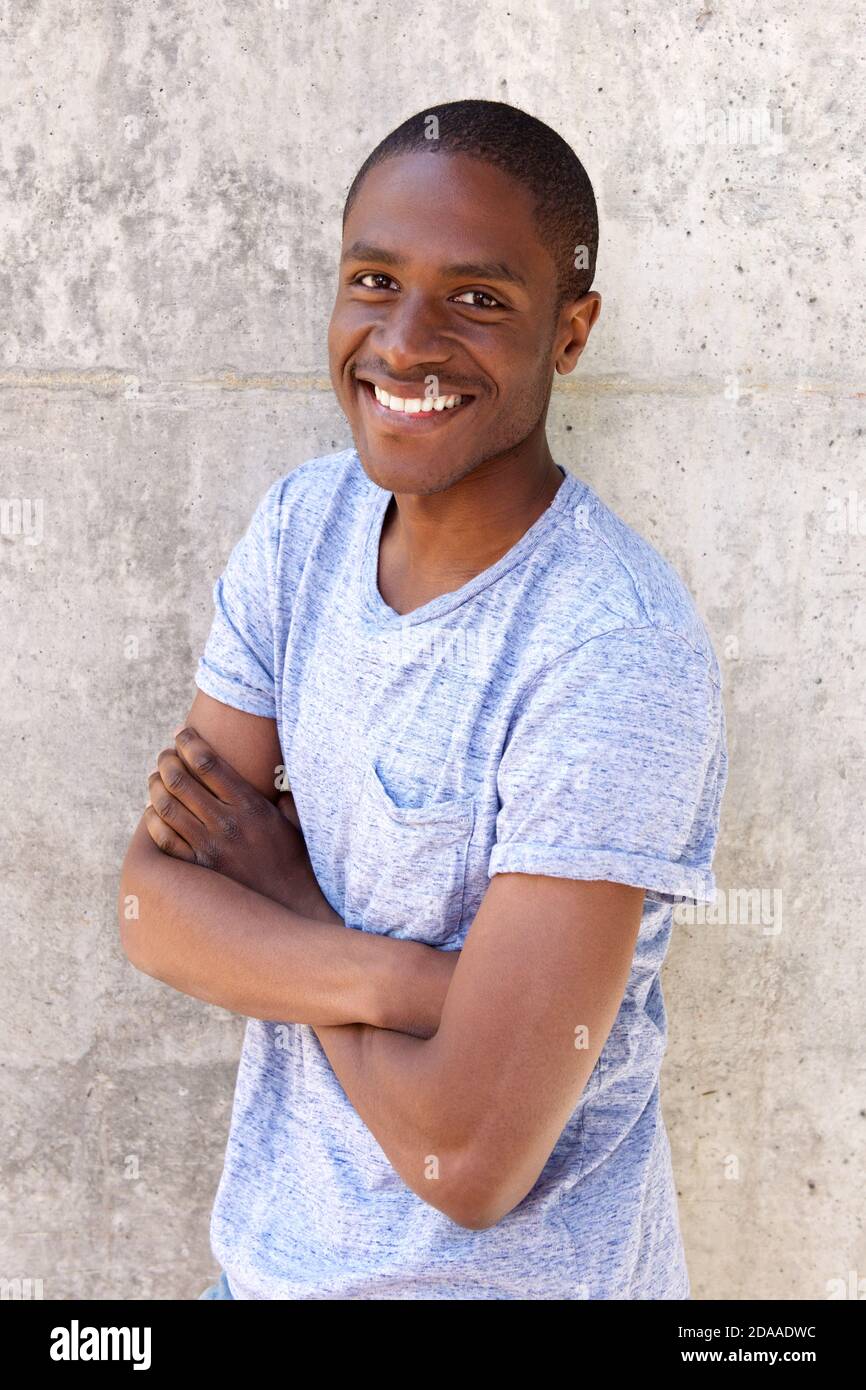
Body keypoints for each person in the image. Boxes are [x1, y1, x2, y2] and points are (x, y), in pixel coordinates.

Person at [119, 99, 728, 1300]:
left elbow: (468, 1155)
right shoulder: (303, 530)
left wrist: (286, 900)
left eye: (478, 299)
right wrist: (412, 987)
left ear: (571, 332)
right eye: (373, 279)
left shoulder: (611, 651)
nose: (404, 342)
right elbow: (152, 909)